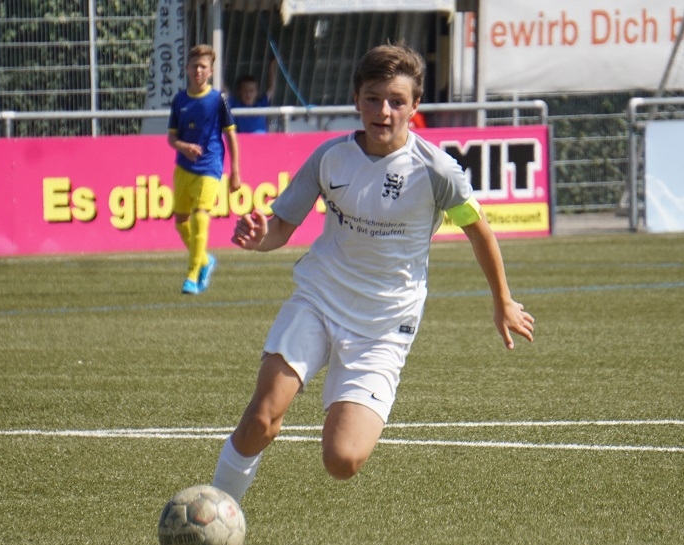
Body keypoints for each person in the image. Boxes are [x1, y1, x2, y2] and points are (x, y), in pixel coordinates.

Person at [211, 44, 535, 503]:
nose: (384, 111)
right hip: (319, 300)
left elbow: (479, 231)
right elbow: (280, 227)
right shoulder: (330, 157)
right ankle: (217, 507)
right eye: (373, 98)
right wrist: (258, 236)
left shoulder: (437, 170)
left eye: (397, 101)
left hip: (384, 325)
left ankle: (344, 406)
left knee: (342, 459)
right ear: (356, 99)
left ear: (415, 105)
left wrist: (502, 300)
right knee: (262, 418)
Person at [167, 44, 241, 295]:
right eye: (194, 66)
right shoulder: (179, 100)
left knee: (200, 216)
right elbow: (171, 138)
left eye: (203, 66)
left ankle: (192, 275)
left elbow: (231, 136)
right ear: (187, 69)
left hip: (210, 166)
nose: (198, 70)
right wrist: (184, 146)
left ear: (211, 71)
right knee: (181, 222)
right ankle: (205, 260)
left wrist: (235, 171)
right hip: (183, 168)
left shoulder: (218, 100)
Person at [227, 59, 277, 133]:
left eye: (251, 91)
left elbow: (271, 89)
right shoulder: (235, 104)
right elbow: (223, 90)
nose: (248, 94)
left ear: (257, 92)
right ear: (239, 92)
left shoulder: (261, 104)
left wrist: (271, 67)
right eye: (245, 91)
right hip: (244, 139)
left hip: (263, 139)